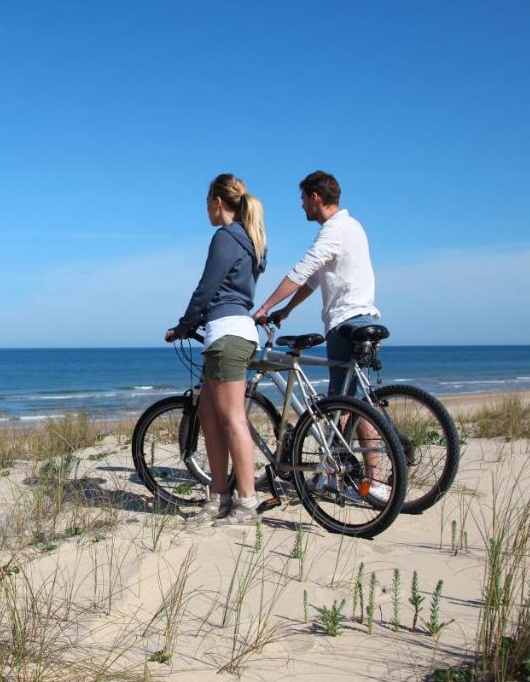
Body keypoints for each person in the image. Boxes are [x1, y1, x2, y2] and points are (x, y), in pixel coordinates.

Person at [254, 169, 388, 501]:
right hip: (362, 318)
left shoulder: (334, 231)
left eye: (302, 200)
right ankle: (358, 479)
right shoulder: (353, 226)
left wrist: (265, 306)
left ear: (316, 197)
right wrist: (286, 311)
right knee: (353, 404)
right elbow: (315, 280)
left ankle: (371, 481)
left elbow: (300, 272)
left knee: (345, 406)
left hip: (346, 323)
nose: (301, 207)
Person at [165, 173, 266, 525]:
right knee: (208, 413)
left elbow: (206, 288)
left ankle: (247, 502)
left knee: (232, 417)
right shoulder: (249, 237)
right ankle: (218, 495)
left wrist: (183, 324)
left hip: (227, 334)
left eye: (207, 203)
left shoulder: (226, 237)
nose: (206, 210)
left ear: (217, 202)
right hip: (226, 334)